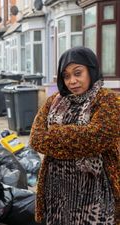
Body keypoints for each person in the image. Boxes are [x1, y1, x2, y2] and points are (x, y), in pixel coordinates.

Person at [29, 46, 120, 224]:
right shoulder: (54, 101)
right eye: (66, 76)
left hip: (95, 192)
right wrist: (78, 139)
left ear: (91, 71)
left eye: (78, 73)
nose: (72, 81)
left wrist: (55, 132)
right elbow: (36, 139)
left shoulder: (108, 100)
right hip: (57, 191)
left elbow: (97, 138)